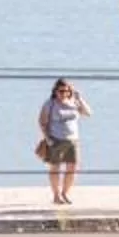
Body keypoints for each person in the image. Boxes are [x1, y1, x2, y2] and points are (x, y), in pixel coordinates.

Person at [37, 78, 85, 206]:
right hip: (56, 140)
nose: (63, 93)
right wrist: (48, 139)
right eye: (60, 91)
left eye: (66, 91)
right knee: (55, 168)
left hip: (73, 140)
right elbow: (42, 122)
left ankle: (65, 193)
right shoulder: (50, 104)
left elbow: (87, 113)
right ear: (55, 91)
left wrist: (79, 99)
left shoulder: (74, 102)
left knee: (73, 168)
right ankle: (56, 196)